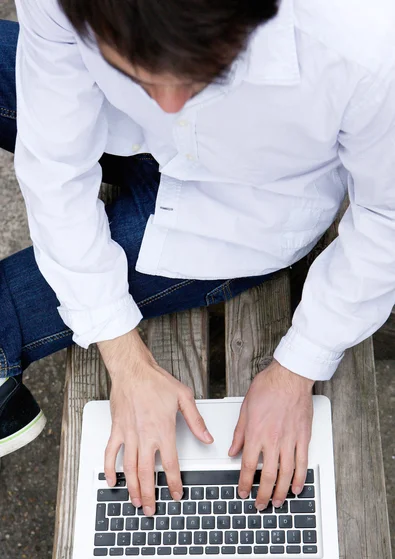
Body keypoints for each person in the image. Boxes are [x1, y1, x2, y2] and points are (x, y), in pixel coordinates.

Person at [0, 0, 394, 520]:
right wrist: (126, 360)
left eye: (204, 78)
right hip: (116, 127)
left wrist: (299, 365)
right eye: (133, 73)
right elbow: (54, 165)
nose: (168, 107)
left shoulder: (368, 40)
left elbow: (386, 218)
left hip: (241, 213)